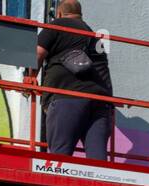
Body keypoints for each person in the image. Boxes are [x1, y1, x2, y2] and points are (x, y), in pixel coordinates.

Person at [31, 0, 113, 160]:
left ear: (59, 13)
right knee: (98, 162)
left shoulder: (57, 26)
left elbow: (38, 53)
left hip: (67, 98)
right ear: (80, 15)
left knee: (59, 157)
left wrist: (30, 77)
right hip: (100, 102)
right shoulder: (94, 36)